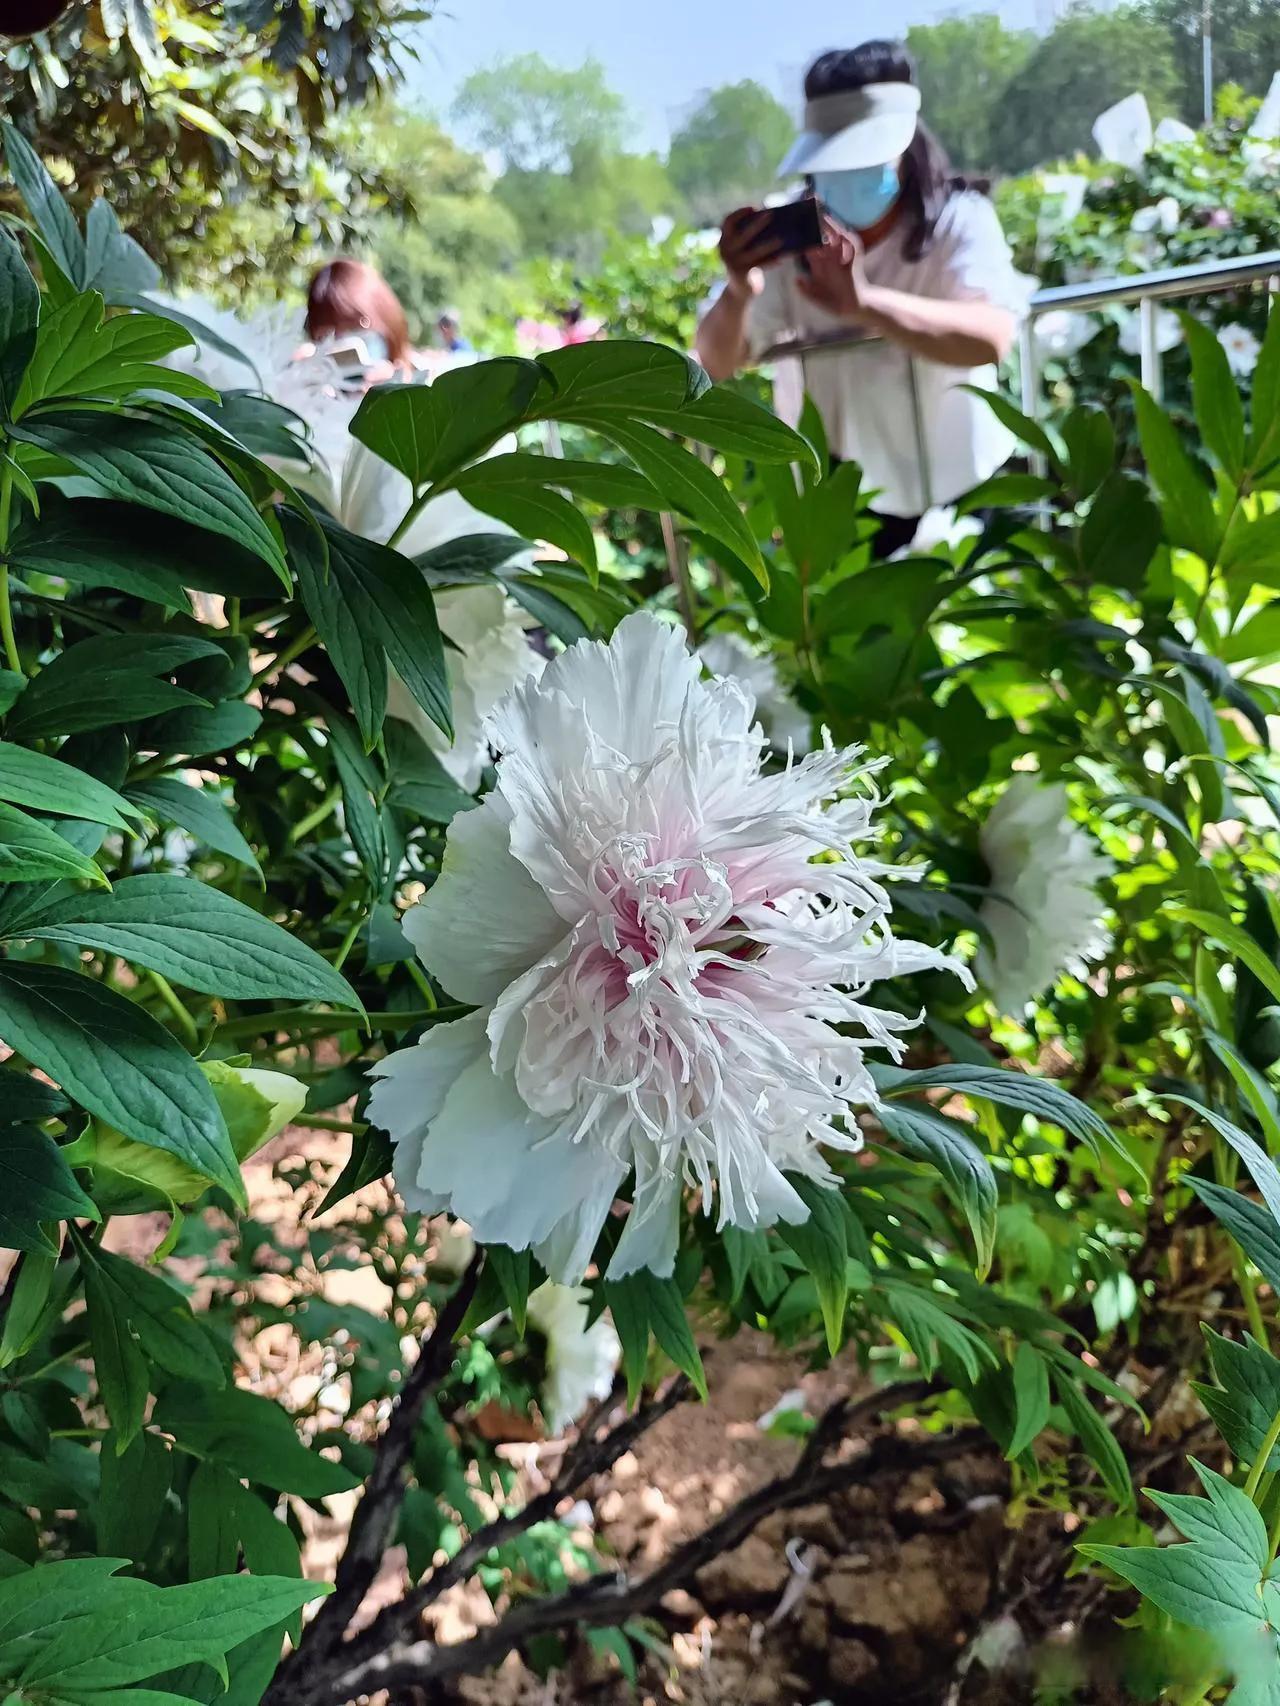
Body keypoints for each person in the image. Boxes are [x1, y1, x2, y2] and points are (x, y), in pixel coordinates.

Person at [696, 40, 1033, 558]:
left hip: (961, 483)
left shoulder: (959, 221)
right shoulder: (788, 245)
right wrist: (741, 289)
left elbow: (989, 339)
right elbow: (718, 361)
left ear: (906, 145)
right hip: (847, 499)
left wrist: (865, 305)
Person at [301, 259, 416, 386]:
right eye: (325, 336)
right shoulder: (309, 379)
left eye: (356, 329)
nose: (343, 342)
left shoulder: (417, 383)